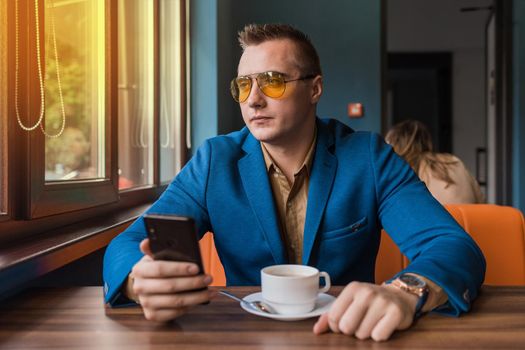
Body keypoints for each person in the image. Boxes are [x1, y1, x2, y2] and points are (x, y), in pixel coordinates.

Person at [103, 24, 485, 342]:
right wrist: (140, 281)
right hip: (243, 339)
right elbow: (124, 246)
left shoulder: (368, 157)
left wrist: (405, 293)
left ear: (315, 89)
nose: (253, 100)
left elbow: (453, 246)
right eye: (242, 85)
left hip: (347, 335)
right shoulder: (213, 162)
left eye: (271, 82)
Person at [385, 120, 484, 205]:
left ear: (395, 145)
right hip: (469, 224)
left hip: (437, 225)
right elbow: (481, 201)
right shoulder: (453, 161)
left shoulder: (405, 171)